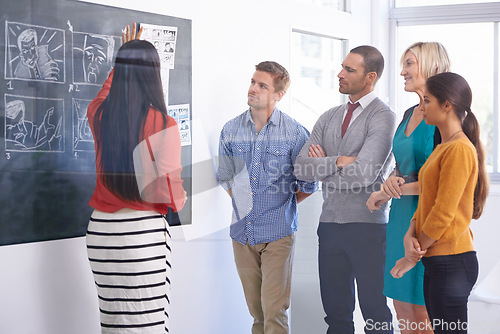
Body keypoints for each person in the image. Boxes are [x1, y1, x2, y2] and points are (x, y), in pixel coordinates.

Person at [86, 23, 185, 333]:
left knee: (113, 324)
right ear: (152, 75)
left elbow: (105, 93)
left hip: (101, 234)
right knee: (147, 324)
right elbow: (172, 196)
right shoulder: (163, 124)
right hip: (141, 236)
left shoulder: (99, 114)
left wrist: (122, 58)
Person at [294, 45, 395, 334]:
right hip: (328, 227)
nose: (340, 74)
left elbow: (364, 173)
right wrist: (338, 161)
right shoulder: (328, 116)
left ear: (370, 77)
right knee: (336, 316)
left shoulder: (382, 116)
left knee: (375, 312)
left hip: (367, 227)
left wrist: (322, 166)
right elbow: (301, 168)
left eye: (350, 70)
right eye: (342, 67)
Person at [217, 61, 318, 334]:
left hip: (278, 234)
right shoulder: (231, 129)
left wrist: (279, 206)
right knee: (257, 315)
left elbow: (308, 184)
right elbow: (226, 176)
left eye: (262, 85)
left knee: (274, 314)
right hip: (242, 234)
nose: (253, 89)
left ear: (278, 94)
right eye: (252, 82)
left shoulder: (296, 133)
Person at [390, 72, 489, 334]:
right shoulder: (442, 147)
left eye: (427, 100)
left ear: (447, 105)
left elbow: (443, 212)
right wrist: (409, 235)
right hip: (436, 260)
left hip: (453, 262)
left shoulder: (459, 149)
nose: (422, 108)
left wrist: (412, 255)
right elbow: (428, 201)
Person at [366, 42, 450, 333]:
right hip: (400, 217)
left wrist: (383, 192)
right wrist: (388, 181)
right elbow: (402, 166)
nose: (402, 71)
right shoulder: (408, 114)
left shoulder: (444, 116)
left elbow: (440, 181)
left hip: (427, 221)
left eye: (409, 64)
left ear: (433, 66)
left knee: (424, 308)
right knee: (402, 306)